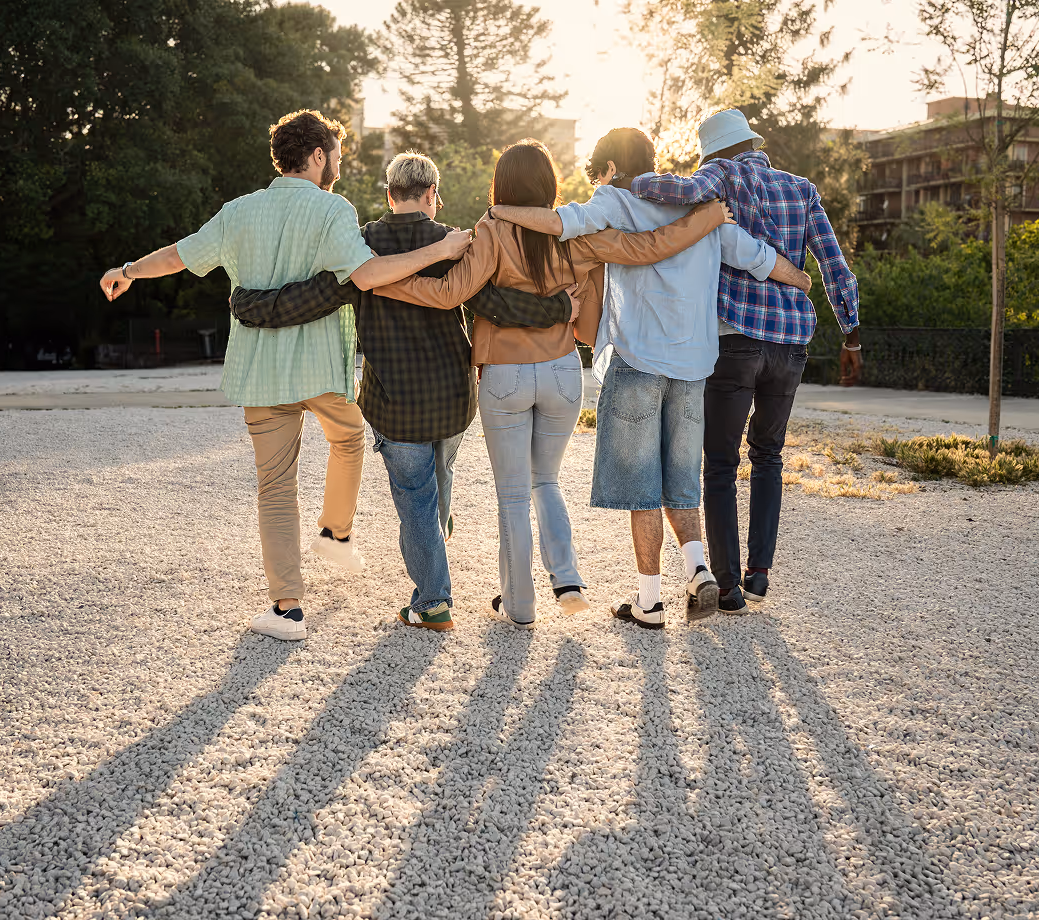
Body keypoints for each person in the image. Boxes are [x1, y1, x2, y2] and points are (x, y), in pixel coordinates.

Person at [99, 109, 473, 642]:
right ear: (318, 155)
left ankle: (288, 608)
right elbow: (366, 276)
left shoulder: (238, 211)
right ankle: (336, 532)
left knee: (274, 487)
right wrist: (440, 249)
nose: (339, 167)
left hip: (260, 373)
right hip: (322, 369)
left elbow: (181, 255)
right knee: (348, 438)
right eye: (337, 157)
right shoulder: (332, 210)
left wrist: (128, 270)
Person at [375, 139, 731, 629]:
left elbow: (448, 294)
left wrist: (381, 283)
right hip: (565, 372)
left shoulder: (492, 231)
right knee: (547, 481)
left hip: (504, 375)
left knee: (513, 496)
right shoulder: (575, 233)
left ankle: (520, 606)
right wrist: (707, 219)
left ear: (501, 186)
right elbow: (648, 248)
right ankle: (567, 580)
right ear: (549, 186)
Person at [228, 151, 578, 631]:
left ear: (388, 194)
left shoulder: (364, 247)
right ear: (432, 194)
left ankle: (433, 602)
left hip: (395, 399)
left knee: (415, 498)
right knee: (442, 469)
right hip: (453, 397)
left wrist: (252, 305)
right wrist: (560, 308)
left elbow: (314, 297)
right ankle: (439, 527)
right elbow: (493, 303)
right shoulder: (453, 242)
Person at [490, 127, 811, 629]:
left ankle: (650, 602)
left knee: (642, 487)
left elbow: (557, 222)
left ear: (612, 169)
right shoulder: (698, 208)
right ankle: (699, 569)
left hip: (639, 361)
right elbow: (756, 257)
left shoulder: (614, 200)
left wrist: (503, 211)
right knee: (681, 481)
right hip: (695, 366)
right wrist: (803, 280)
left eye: (599, 172)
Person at [613, 109, 862, 612]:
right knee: (769, 455)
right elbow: (835, 265)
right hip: (791, 343)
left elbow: (679, 193)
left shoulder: (721, 176)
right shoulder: (802, 189)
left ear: (716, 152)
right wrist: (851, 333)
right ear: (751, 141)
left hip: (736, 341)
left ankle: (725, 586)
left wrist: (627, 178)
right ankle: (760, 572)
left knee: (721, 463)